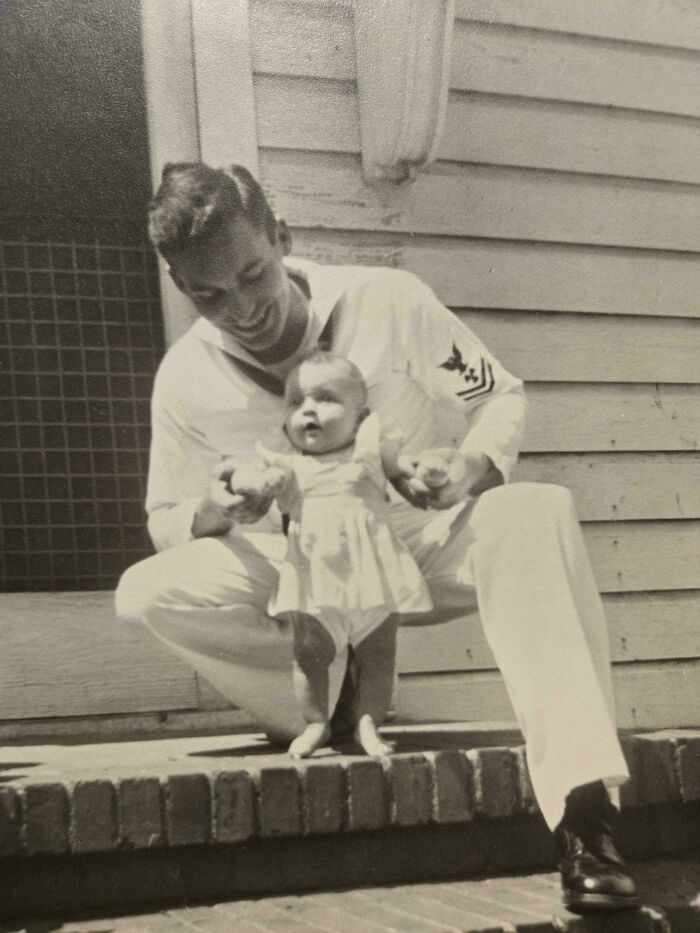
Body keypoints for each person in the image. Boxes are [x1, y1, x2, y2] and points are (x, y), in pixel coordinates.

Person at [115, 162, 639, 912]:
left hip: (423, 547)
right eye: (209, 294)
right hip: (308, 574)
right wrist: (219, 504)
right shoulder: (184, 376)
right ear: (179, 285)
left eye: (254, 274)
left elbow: (500, 395)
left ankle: (585, 811)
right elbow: (167, 519)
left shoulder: (388, 300)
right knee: (146, 592)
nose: (244, 307)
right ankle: (327, 711)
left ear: (283, 237)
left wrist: (466, 465)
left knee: (534, 509)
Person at [232, 350, 432, 759]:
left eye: (325, 399)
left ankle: (368, 724)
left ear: (361, 418)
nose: (308, 410)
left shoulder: (371, 456)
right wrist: (254, 483)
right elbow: (245, 476)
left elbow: (407, 470)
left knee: (378, 656)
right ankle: (316, 723)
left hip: (373, 579)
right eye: (296, 402)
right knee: (309, 655)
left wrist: (423, 475)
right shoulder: (287, 468)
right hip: (314, 582)